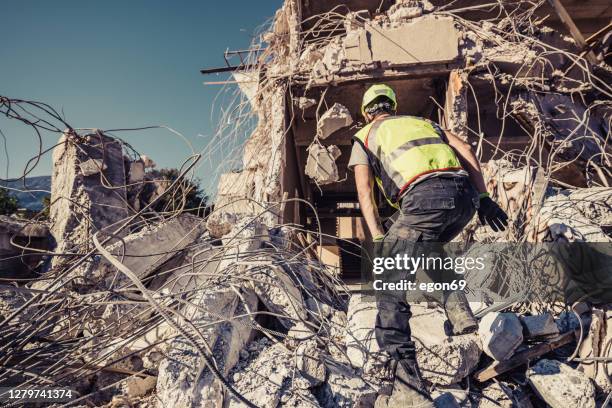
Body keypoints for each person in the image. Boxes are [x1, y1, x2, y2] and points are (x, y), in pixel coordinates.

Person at [348, 84, 508, 407]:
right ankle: (460, 314)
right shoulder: (425, 124)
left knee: (389, 281)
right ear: (392, 106)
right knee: (424, 244)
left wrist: (379, 240)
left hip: (423, 200)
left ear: (367, 113)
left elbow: (365, 193)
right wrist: (484, 197)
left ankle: (409, 389)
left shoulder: (365, 136)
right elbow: (464, 147)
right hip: (463, 199)